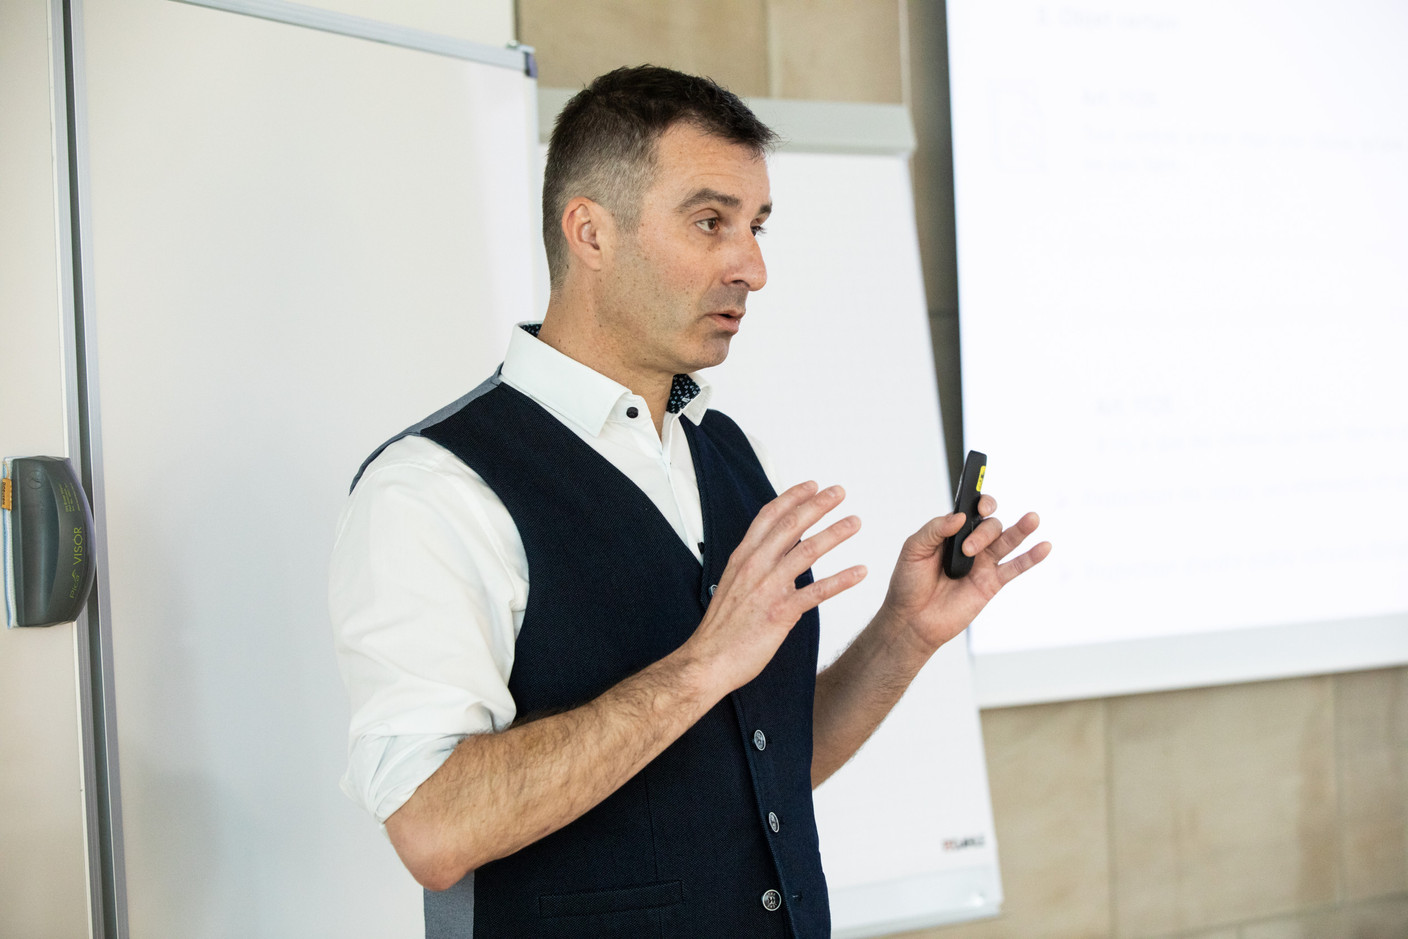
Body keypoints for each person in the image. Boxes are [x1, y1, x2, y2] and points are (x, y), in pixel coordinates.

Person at [330, 65, 1049, 938]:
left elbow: (766, 765)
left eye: (756, 226)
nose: (752, 266)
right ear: (589, 231)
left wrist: (906, 633)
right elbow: (433, 826)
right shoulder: (435, 487)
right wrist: (704, 663)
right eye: (711, 221)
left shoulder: (722, 452)